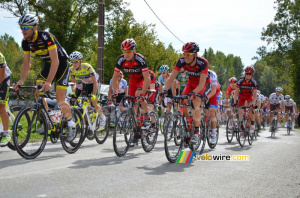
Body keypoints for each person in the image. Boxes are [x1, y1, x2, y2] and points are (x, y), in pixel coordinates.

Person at [13, 14, 76, 142]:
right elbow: (26, 63)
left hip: (61, 64)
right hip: (48, 65)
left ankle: (71, 124)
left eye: (26, 27)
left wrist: (48, 82)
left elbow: (56, 61)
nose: (23, 30)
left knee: (60, 99)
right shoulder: (25, 42)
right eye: (21, 27)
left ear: (34, 27)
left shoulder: (46, 37)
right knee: (38, 91)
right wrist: (20, 81)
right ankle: (47, 117)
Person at [163, 42, 209, 143]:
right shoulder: (181, 61)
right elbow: (171, 78)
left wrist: (193, 93)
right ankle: (188, 122)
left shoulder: (203, 63)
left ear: (195, 54)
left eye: (188, 54)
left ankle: (197, 132)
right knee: (183, 101)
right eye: (184, 53)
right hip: (191, 84)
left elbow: (202, 84)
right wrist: (164, 90)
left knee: (196, 103)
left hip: (201, 85)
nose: (185, 56)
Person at [111, 38, 150, 144]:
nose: (126, 54)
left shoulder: (140, 59)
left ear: (134, 51)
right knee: (133, 108)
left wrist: (142, 93)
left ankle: (146, 117)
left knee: (139, 96)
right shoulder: (121, 60)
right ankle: (134, 133)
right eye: (124, 51)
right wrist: (115, 92)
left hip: (142, 80)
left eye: (128, 51)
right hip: (132, 81)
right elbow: (114, 78)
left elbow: (147, 78)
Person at [69, 51, 106, 130]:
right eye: (72, 62)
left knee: (94, 102)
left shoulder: (87, 67)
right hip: (85, 84)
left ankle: (103, 118)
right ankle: (86, 126)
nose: (74, 64)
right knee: (84, 105)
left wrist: (94, 95)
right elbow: (73, 83)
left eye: (76, 61)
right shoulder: (71, 70)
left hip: (94, 83)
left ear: (80, 61)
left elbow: (95, 82)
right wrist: (73, 92)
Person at [233, 66, 258, 134]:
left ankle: (252, 124)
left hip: (249, 96)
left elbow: (255, 94)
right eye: (247, 73)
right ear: (245, 73)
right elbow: (236, 93)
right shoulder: (240, 81)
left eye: (250, 74)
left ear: (252, 74)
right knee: (240, 111)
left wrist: (253, 103)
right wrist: (235, 103)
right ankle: (241, 124)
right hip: (241, 96)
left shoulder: (253, 82)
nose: (248, 75)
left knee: (252, 108)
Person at [0, 52, 12, 146]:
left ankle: (6, 133)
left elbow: (2, 76)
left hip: (3, 79)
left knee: (1, 106)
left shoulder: (0, 56)